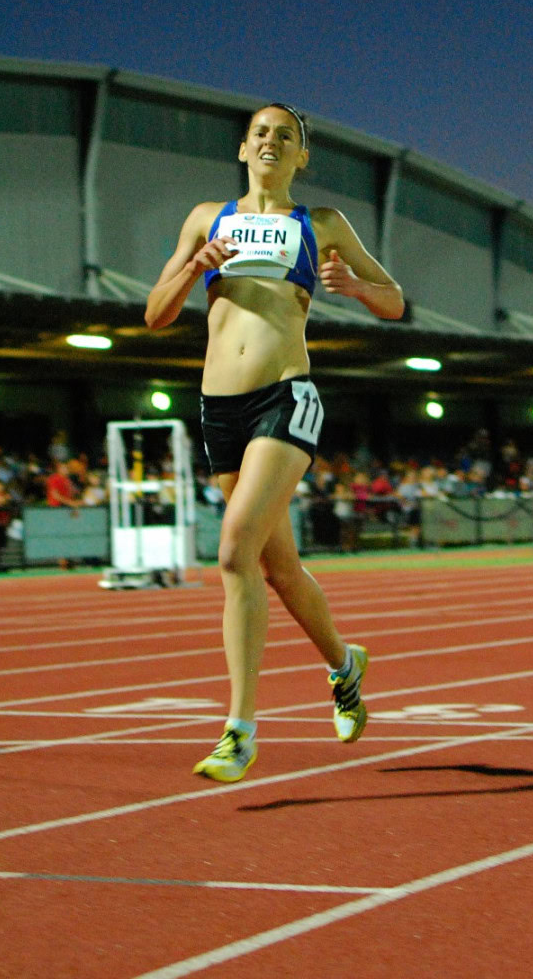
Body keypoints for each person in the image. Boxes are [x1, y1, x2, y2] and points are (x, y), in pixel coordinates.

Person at [144, 101, 404, 782]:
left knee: (233, 552)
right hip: (218, 409)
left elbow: (396, 299)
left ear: (301, 157)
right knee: (276, 569)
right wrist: (194, 262)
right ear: (242, 148)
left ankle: (240, 731)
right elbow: (155, 313)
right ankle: (346, 668)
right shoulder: (208, 218)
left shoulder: (320, 225)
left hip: (287, 398)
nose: (271, 141)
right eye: (261, 132)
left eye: (284, 136)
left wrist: (355, 288)